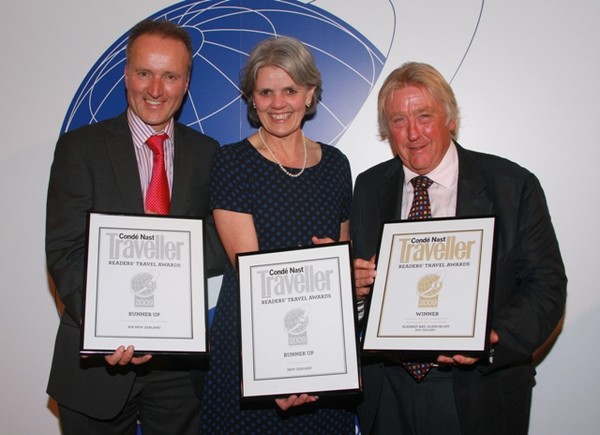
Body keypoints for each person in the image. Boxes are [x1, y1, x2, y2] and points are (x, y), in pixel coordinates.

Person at [351, 62, 567, 435]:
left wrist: (494, 334)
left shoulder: (512, 185)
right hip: (389, 393)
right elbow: (363, 301)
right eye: (399, 120)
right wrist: (353, 289)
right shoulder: (369, 187)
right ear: (387, 130)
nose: (413, 133)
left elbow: (546, 286)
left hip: (477, 391)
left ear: (450, 118)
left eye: (424, 115)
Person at [45, 19, 225, 435]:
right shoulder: (80, 149)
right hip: (96, 366)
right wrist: (107, 328)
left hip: (180, 369)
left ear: (186, 81)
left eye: (170, 76)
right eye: (145, 73)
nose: (156, 90)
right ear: (126, 73)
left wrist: (170, 252)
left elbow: (219, 240)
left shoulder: (208, 154)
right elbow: (65, 252)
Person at [198, 36, 356, 433]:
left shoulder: (337, 165)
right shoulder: (232, 163)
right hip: (253, 342)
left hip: (321, 346)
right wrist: (275, 370)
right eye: (265, 92)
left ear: (310, 93)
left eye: (290, 90)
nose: (278, 103)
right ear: (252, 99)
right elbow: (251, 277)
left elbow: (339, 260)